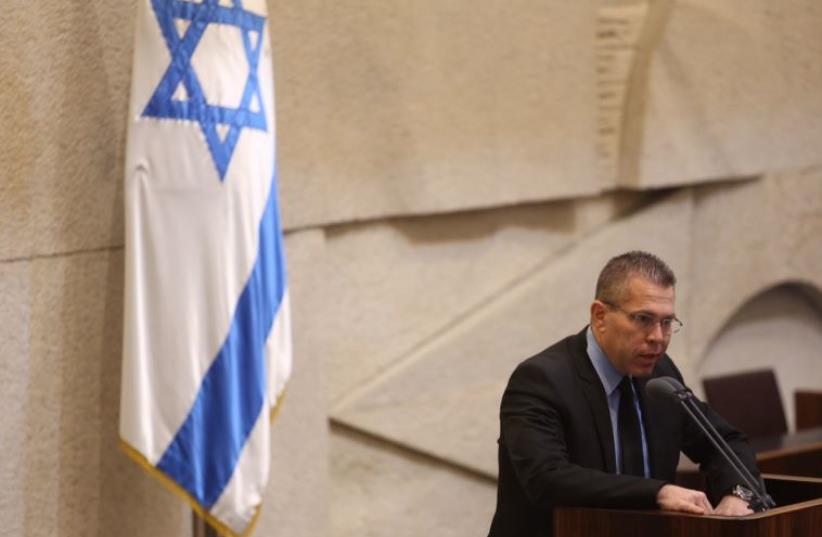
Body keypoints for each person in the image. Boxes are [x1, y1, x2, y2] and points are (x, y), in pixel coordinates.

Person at [487, 251, 763, 537]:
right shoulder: (542, 380)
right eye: (643, 319)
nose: (658, 336)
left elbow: (724, 441)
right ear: (600, 316)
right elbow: (547, 479)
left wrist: (737, 494)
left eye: (667, 322)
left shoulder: (660, 375)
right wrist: (658, 493)